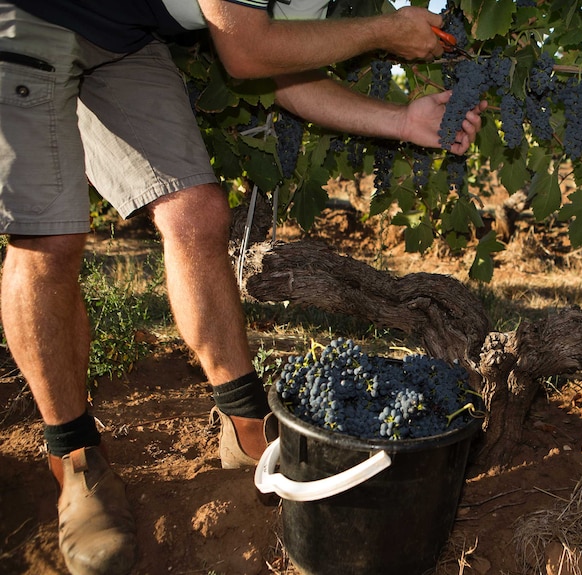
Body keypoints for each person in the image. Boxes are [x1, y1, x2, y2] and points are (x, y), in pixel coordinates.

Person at [0, 1, 488, 574]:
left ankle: (244, 421)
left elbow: (276, 71)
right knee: (49, 238)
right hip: (34, 10)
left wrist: (401, 120)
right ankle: (74, 455)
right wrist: (384, 31)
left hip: (126, 36)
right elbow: (246, 49)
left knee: (198, 212)